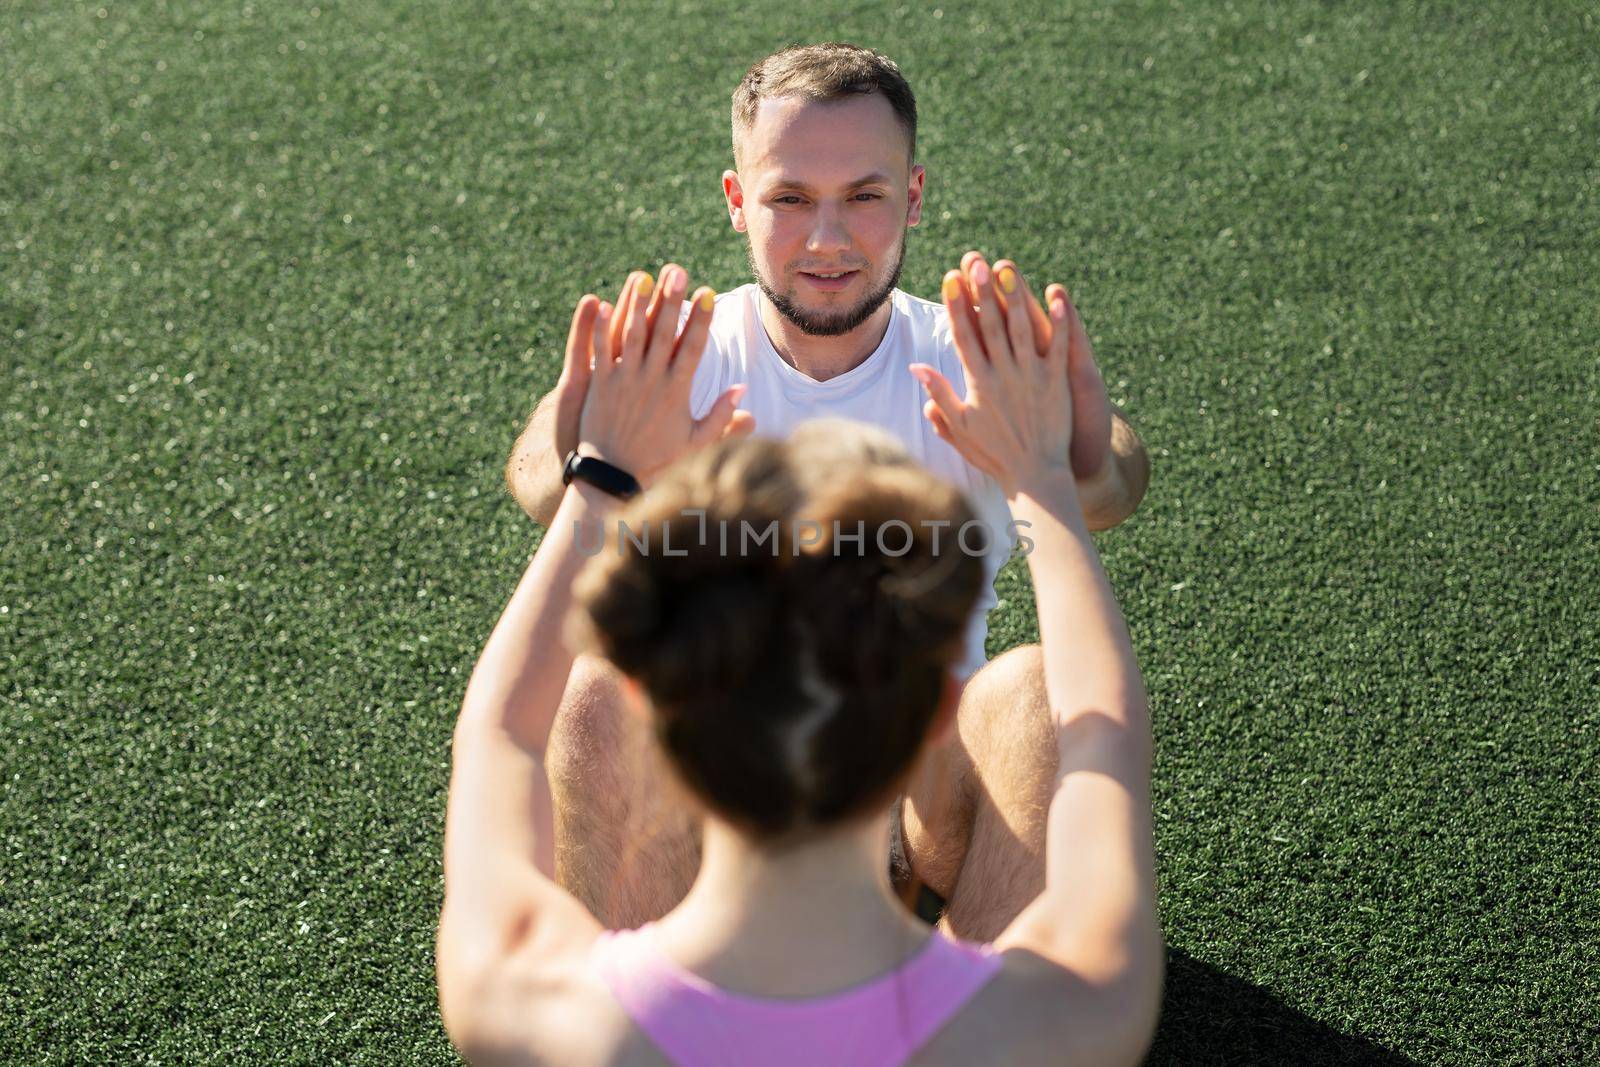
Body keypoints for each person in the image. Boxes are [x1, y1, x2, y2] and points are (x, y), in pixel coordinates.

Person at [438, 259, 1161, 1065]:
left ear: (654, 708)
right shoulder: (1062, 1015)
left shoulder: (530, 1003)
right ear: (934, 715)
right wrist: (1044, 484)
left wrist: (600, 480)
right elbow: (1104, 735)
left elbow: (502, 732)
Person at [504, 43, 1153, 935]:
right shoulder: (684, 357)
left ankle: (980, 1025)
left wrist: (1064, 455)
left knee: (1037, 694)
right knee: (593, 698)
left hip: (918, 788)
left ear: (914, 197)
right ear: (738, 203)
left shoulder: (969, 365)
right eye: (791, 199)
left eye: (865, 195)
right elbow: (541, 463)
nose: (828, 239)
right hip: (716, 784)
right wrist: (609, 465)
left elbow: (1113, 477)